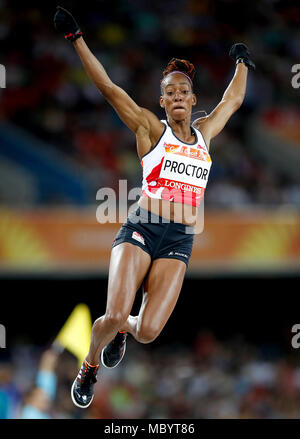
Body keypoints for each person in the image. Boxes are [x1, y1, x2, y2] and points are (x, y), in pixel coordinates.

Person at [53, 6, 255, 409]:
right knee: (112, 314)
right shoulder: (149, 129)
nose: (178, 97)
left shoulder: (205, 135)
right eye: (170, 93)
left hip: (180, 238)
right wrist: (76, 40)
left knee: (145, 331)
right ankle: (90, 365)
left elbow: (232, 102)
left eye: (184, 92)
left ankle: (125, 332)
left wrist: (242, 63)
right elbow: (109, 88)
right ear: (162, 102)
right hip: (143, 227)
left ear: (193, 99)